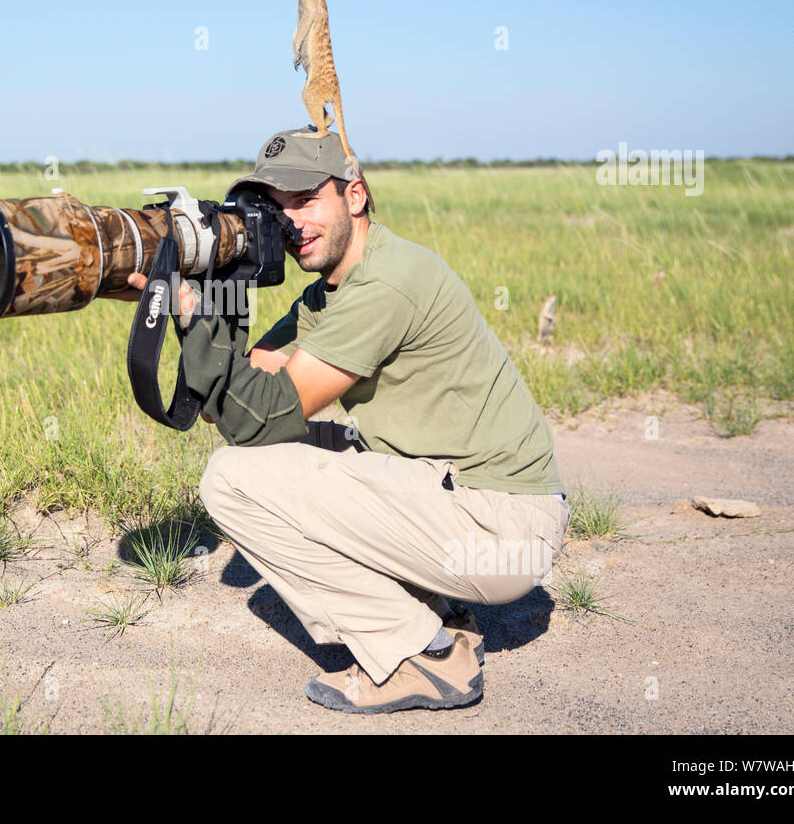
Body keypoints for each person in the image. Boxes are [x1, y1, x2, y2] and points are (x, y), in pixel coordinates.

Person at [129, 125, 568, 715]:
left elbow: (254, 419)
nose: (291, 221)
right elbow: (235, 403)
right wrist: (206, 293)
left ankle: (420, 656)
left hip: (503, 529)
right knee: (260, 456)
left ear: (354, 195)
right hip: (462, 500)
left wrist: (194, 317)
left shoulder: (386, 282)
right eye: (275, 206)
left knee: (231, 480)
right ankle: (435, 613)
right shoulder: (327, 295)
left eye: (306, 198)